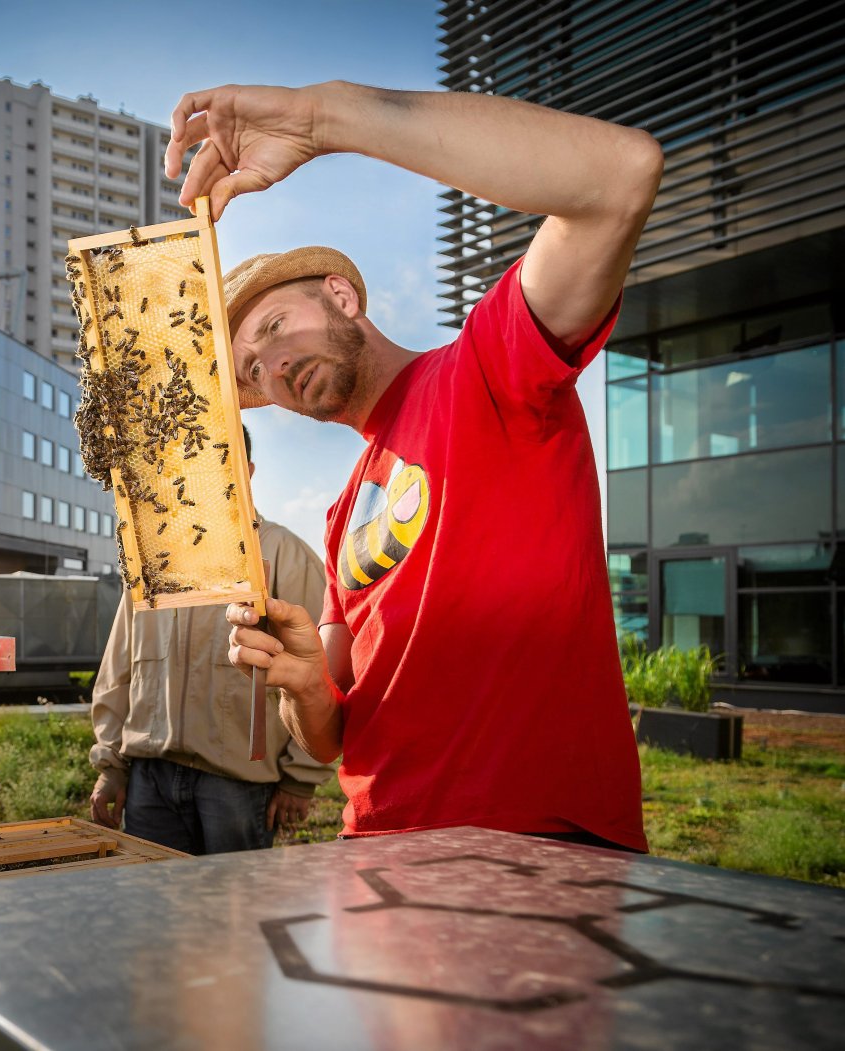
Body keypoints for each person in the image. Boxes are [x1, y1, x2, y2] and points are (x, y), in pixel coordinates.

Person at [163, 80, 660, 853]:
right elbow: (330, 733)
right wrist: (303, 683)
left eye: (275, 325)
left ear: (341, 295)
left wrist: (322, 119)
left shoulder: (489, 368)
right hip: (377, 851)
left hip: (537, 843)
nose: (273, 363)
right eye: (253, 369)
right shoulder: (341, 515)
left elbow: (620, 172)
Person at [89, 425, 333, 854]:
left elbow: (320, 676)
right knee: (156, 897)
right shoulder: (150, 560)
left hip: (238, 784)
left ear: (247, 471)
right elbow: (119, 666)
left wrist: (301, 778)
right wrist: (111, 764)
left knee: (232, 899)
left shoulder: (287, 554)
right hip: (148, 776)